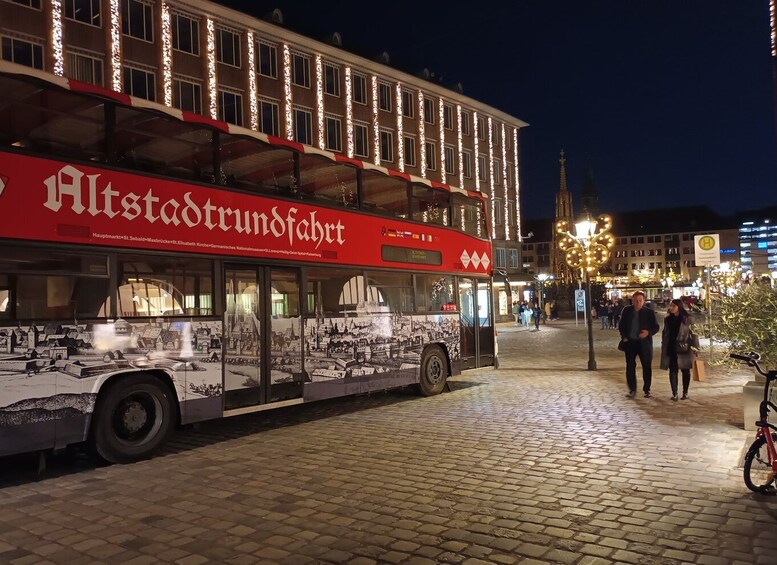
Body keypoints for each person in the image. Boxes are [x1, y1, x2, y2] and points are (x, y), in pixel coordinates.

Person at [618, 291, 660, 398]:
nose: (638, 302)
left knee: (646, 366)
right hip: (630, 343)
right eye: (636, 300)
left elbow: (656, 327)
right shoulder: (627, 311)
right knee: (630, 367)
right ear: (632, 301)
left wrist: (648, 333)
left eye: (640, 300)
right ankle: (632, 389)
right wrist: (624, 337)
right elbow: (621, 325)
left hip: (644, 344)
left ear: (644, 301)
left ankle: (647, 389)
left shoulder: (649, 313)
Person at [660, 298, 696, 400]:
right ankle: (674, 393)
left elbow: (694, 334)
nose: (671, 308)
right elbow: (665, 333)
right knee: (673, 370)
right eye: (670, 306)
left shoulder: (687, 319)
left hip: (684, 347)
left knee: (685, 371)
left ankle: (685, 392)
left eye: (673, 306)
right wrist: (664, 345)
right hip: (671, 347)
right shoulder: (667, 319)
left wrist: (696, 347)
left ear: (679, 307)